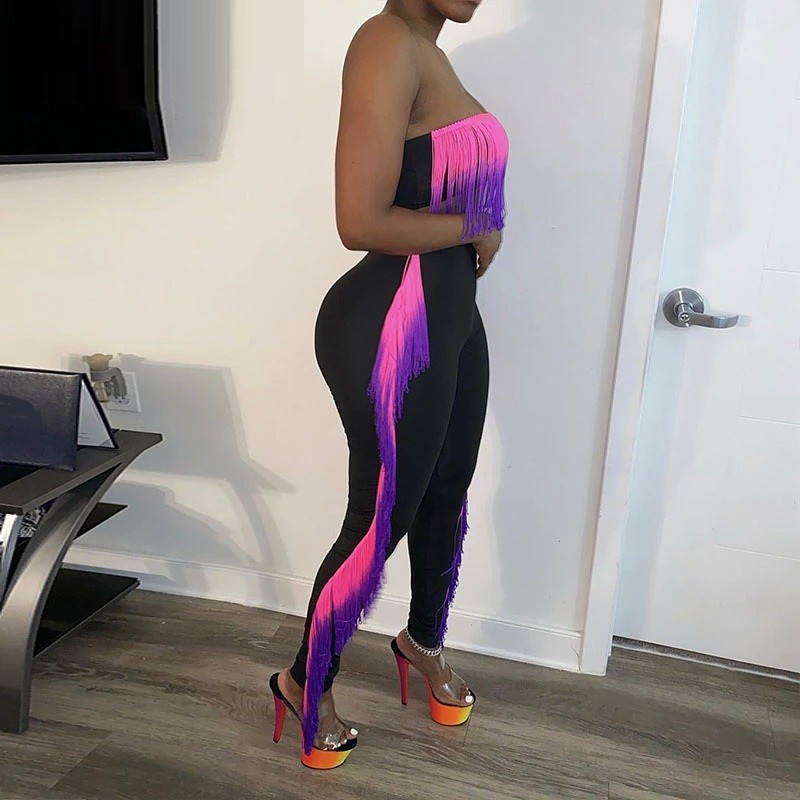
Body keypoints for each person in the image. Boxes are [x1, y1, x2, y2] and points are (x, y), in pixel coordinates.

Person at [269, 0, 508, 769]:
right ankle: (303, 683)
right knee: (380, 517)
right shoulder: (385, 42)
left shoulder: (430, 53)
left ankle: (421, 642)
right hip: (393, 323)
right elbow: (359, 220)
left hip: (451, 318)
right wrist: (472, 226)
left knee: (447, 491)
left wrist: (476, 229)